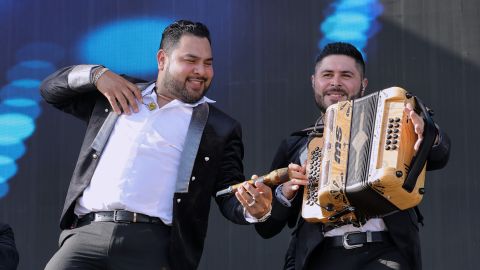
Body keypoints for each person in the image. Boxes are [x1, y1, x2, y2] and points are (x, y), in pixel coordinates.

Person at [40, 20, 272, 270]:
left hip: (152, 246)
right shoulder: (119, 91)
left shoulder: (218, 126)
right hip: (86, 235)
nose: (201, 71)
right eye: (190, 60)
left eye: (208, 63)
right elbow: (50, 90)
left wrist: (255, 209)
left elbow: (229, 194)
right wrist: (97, 75)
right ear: (162, 60)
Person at [255, 42, 451, 270]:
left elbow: (440, 156)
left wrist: (428, 135)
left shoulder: (393, 123)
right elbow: (267, 228)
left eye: (346, 75)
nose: (335, 82)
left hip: (385, 252)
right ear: (314, 82)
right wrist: (285, 194)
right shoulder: (296, 145)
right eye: (327, 75)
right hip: (321, 255)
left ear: (363, 84)